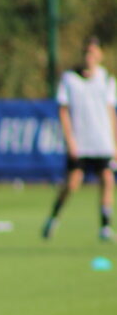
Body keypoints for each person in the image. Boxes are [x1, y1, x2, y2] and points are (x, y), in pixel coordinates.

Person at [42, 36, 117, 241]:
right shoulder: (70, 79)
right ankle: (53, 218)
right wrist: (70, 140)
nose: (89, 57)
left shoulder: (107, 79)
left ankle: (105, 227)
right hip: (81, 142)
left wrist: (114, 143)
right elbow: (63, 111)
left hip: (102, 141)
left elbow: (111, 112)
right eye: (86, 53)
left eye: (93, 53)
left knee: (107, 179)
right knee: (73, 183)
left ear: (100, 55)